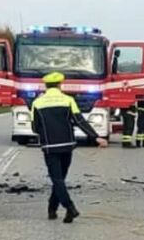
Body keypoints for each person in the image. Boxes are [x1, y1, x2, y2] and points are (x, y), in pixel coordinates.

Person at [30, 72, 107, 223]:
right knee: (60, 179)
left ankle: (68, 207)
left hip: (50, 146)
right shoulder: (68, 100)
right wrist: (95, 137)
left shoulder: (37, 103)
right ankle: (54, 208)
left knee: (57, 179)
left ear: (46, 86)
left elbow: (34, 127)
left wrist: (46, 132)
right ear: (60, 85)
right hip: (67, 145)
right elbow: (79, 121)